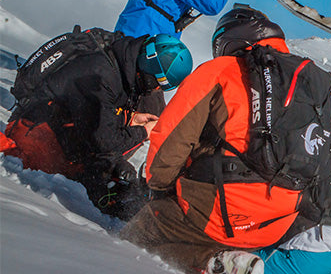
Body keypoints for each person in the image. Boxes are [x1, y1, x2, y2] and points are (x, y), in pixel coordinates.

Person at [122, 6, 331, 274]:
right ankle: (248, 264)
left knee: (141, 234)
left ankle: (214, 264)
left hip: (221, 211)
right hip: (277, 223)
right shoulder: (309, 84)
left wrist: (158, 189)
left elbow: (170, 140)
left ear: (227, 41)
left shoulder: (219, 70)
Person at [0, 28, 192, 219]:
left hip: (61, 127)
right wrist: (143, 132)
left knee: (116, 172)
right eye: (159, 83)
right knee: (91, 178)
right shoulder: (101, 74)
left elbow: (94, 114)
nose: (157, 89)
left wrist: (129, 119)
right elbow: (104, 140)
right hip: (36, 133)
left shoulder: (122, 62)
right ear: (151, 72)